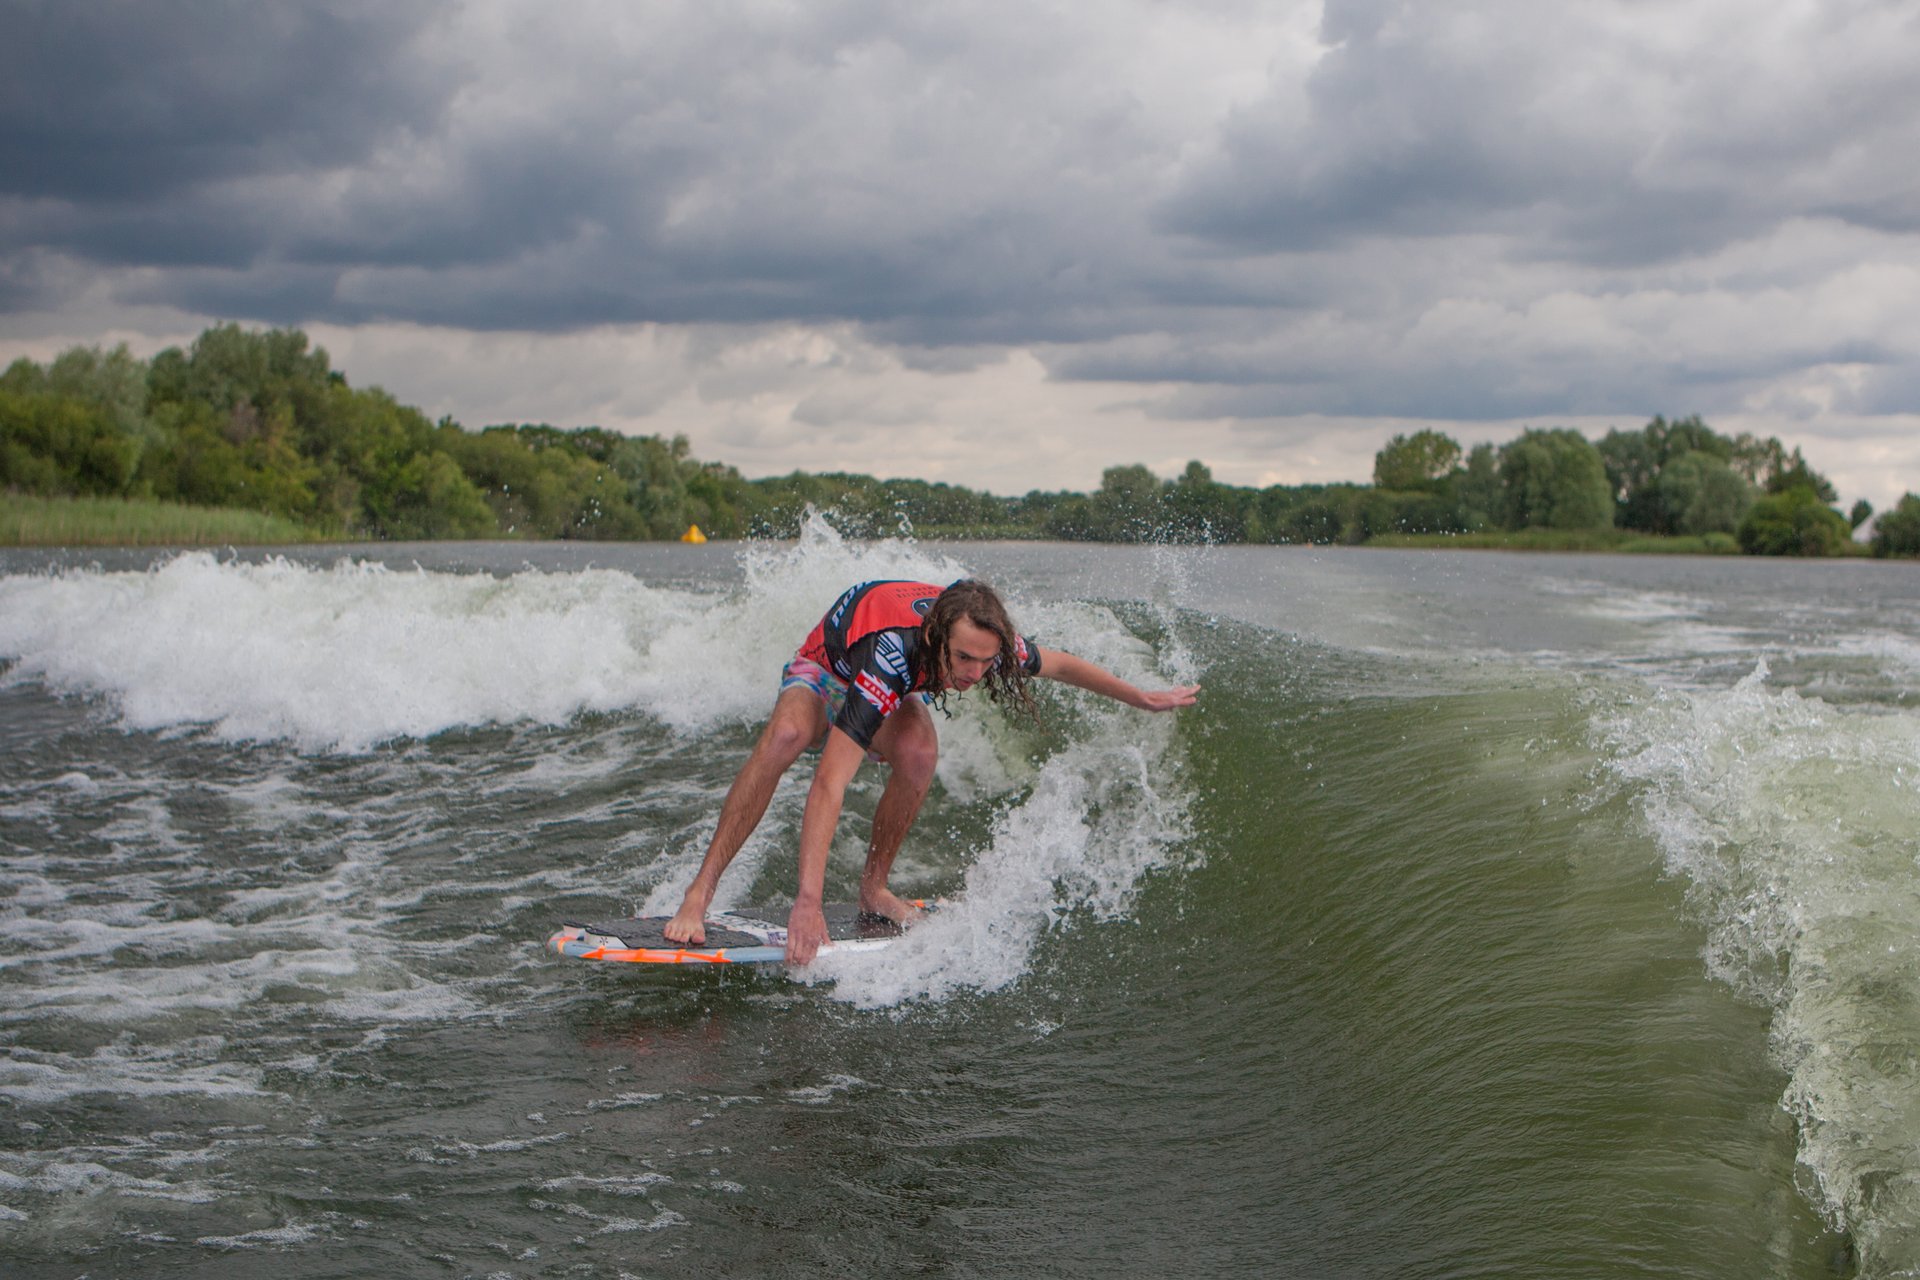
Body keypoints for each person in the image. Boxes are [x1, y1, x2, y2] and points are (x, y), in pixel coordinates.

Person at [663, 578, 1200, 964]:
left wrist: (1140, 697)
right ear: (937, 636)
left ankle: (874, 889)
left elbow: (1058, 663)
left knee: (920, 753)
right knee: (786, 737)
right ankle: (700, 892)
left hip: (884, 679)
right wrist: (807, 903)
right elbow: (829, 782)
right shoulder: (892, 656)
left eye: (986, 662)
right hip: (828, 670)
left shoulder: (985, 640)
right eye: (964, 659)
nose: (974, 674)